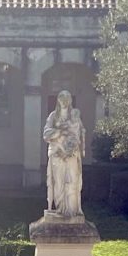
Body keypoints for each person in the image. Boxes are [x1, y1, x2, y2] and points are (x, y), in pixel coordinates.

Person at [42, 89, 85, 217]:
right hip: (57, 154)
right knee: (59, 183)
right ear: (58, 101)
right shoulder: (53, 116)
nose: (64, 101)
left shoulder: (75, 116)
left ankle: (72, 211)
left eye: (67, 98)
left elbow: (80, 135)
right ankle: (60, 208)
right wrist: (59, 131)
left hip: (71, 155)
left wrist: (70, 149)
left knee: (72, 181)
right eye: (62, 98)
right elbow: (46, 134)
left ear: (70, 100)